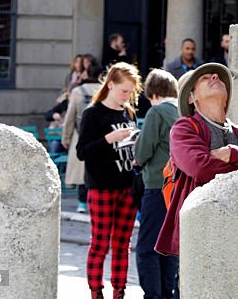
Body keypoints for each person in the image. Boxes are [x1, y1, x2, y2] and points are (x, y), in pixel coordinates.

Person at [155, 62, 238, 257]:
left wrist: (234, 154)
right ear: (191, 98)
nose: (215, 78)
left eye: (218, 77)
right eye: (205, 78)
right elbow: (200, 168)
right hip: (203, 231)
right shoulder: (184, 128)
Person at [77, 61, 142, 299]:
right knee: (101, 243)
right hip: (102, 187)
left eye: (131, 92)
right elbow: (82, 151)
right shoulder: (92, 114)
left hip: (127, 184)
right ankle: (96, 292)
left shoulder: (129, 112)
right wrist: (109, 138)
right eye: (124, 90)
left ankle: (119, 291)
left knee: (123, 244)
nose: (127, 96)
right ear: (111, 85)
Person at [134, 69, 180, 299]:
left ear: (152, 93)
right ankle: (167, 294)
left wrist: (135, 153)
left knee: (147, 248)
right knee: (169, 248)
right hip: (179, 188)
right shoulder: (184, 111)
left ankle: (152, 295)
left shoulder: (157, 112)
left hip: (157, 184)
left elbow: (142, 152)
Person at [62, 59, 102, 213]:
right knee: (97, 170)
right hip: (102, 136)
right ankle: (95, 201)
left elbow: (70, 117)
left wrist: (66, 138)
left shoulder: (78, 92)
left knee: (81, 170)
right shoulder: (106, 90)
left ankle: (81, 202)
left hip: (81, 134)